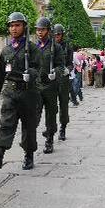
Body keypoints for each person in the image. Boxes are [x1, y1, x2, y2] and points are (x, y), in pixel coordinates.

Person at [0, 12, 42, 170]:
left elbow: (38, 69)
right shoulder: (6, 50)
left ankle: (29, 155)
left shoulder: (32, 48)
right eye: (11, 25)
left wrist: (30, 74)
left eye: (17, 25)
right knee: (6, 123)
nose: (14, 28)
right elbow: (0, 74)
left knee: (29, 126)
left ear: (24, 27)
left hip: (28, 92)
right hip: (10, 92)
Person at [35, 17, 65, 153]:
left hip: (50, 85)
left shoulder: (56, 47)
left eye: (42, 29)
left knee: (51, 114)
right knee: (33, 114)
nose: (40, 32)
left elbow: (61, 65)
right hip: (36, 85)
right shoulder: (33, 47)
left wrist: (56, 72)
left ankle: (49, 139)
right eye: (38, 30)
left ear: (48, 31)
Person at [53, 24, 73, 140]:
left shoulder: (67, 47)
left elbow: (70, 63)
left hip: (63, 78)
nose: (57, 37)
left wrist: (68, 70)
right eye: (55, 35)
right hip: (51, 79)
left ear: (62, 35)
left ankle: (63, 127)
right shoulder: (49, 46)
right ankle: (51, 128)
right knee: (51, 106)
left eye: (58, 34)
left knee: (64, 104)